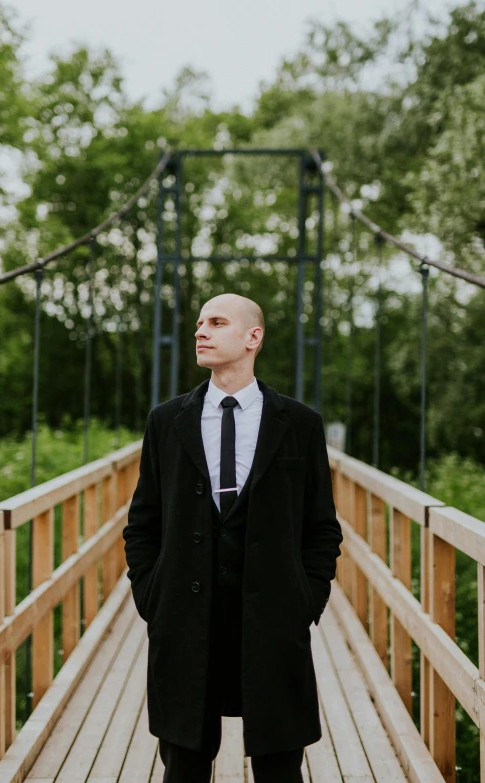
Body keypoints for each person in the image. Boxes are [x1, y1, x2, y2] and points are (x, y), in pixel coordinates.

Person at [122, 293, 343, 783]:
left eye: (216, 322)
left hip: (272, 618)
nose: (200, 331)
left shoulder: (300, 424)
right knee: (183, 763)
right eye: (199, 323)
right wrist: (151, 596)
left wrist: (305, 600)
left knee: (280, 763)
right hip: (184, 616)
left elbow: (321, 527)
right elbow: (143, 523)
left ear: (252, 337)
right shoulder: (166, 421)